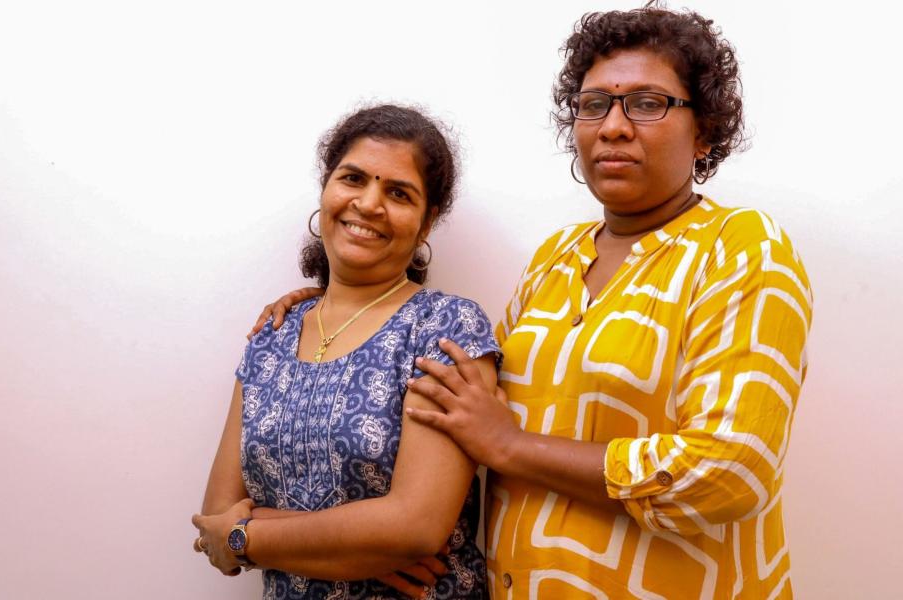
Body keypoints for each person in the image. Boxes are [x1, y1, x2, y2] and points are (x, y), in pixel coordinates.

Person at [251, 5, 812, 600]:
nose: (614, 126)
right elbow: (461, 402)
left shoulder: (742, 247)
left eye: (647, 103)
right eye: (595, 104)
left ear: (703, 130)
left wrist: (512, 446)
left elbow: (729, 471)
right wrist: (335, 300)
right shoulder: (555, 259)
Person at [193, 104, 500, 599]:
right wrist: (360, 546)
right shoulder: (272, 334)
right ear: (326, 189)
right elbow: (214, 516)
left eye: (399, 193)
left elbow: (415, 528)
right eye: (353, 178)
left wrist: (246, 536)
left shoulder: (444, 328)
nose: (369, 203)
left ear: (427, 223)